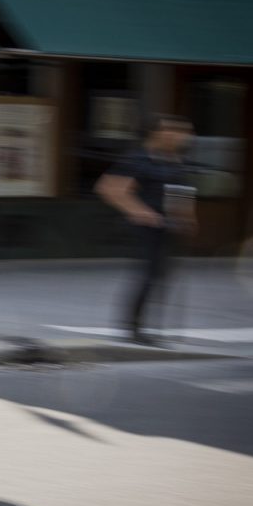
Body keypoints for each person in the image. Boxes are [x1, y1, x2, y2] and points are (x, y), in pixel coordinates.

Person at [95, 113, 196, 346]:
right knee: (149, 276)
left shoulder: (173, 160)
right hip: (146, 228)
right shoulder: (139, 159)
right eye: (172, 130)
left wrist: (187, 218)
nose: (179, 135)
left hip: (169, 227)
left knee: (161, 275)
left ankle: (146, 325)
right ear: (156, 133)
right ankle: (134, 327)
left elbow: (180, 192)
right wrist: (139, 211)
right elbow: (109, 188)